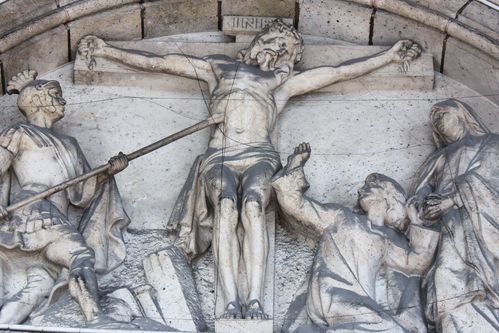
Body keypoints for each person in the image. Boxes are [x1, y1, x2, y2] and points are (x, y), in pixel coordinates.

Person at [78, 19, 421, 319]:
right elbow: (164, 62)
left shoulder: (279, 85)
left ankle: (254, 298)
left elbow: (333, 73)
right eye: (270, 42)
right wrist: (109, 52)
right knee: (226, 207)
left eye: (283, 48)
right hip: (220, 155)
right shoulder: (218, 68)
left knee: (254, 207)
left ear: (287, 58)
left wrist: (387, 57)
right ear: (254, 45)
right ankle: (230, 300)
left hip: (260, 155)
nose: (274, 49)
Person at [0, 70, 130, 326]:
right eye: (56, 95)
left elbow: (80, 191)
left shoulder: (70, 143)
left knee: (40, 286)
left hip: (57, 216)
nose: (63, 101)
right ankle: (96, 319)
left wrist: (107, 172)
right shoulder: (19, 133)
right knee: (80, 255)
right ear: (37, 101)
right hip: (33, 209)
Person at [272, 143, 439, 332]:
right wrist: (295, 164)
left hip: (360, 300)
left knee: (384, 322)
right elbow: (298, 207)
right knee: (391, 327)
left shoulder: (386, 239)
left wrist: (416, 221)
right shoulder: (341, 216)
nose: (361, 189)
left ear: (388, 196)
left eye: (370, 186)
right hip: (332, 294)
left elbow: (416, 262)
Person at [411, 99, 499, 332]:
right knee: (444, 275)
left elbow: (490, 181)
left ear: (462, 114)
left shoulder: (491, 142)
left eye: (443, 114)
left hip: (481, 225)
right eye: (434, 119)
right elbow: (421, 191)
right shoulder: (437, 158)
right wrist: (425, 207)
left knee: (478, 282)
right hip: (446, 227)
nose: (438, 121)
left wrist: (451, 201)